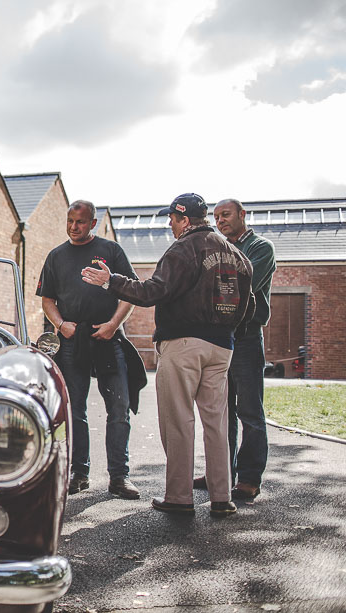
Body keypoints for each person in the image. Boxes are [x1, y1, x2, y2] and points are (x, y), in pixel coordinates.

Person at [81, 193, 254, 518]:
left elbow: (153, 292)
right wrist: (229, 333)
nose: (170, 226)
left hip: (183, 344)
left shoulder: (183, 249)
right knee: (217, 423)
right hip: (222, 347)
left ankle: (179, 496)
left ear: (185, 219)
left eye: (172, 219)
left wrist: (110, 281)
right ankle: (222, 498)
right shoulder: (237, 255)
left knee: (178, 421)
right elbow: (249, 304)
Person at [38, 200, 146, 500]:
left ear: (93, 223)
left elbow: (130, 293)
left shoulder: (111, 251)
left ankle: (119, 477)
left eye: (81, 222)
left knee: (119, 408)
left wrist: (113, 324)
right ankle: (79, 473)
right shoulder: (56, 256)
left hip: (108, 339)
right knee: (75, 410)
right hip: (72, 341)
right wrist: (61, 325)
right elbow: (47, 300)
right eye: (70, 221)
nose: (74, 227)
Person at [192, 198, 276, 500]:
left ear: (242, 214)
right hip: (220, 337)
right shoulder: (218, 248)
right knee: (220, 411)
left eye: (225, 215)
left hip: (247, 338)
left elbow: (241, 287)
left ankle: (249, 478)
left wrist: (211, 290)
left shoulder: (261, 248)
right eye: (216, 217)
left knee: (249, 411)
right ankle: (220, 473)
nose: (220, 221)